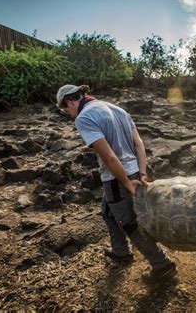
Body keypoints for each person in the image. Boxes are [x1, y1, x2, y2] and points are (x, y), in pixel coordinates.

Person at [56, 84, 176, 284]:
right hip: (134, 170)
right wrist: (142, 172)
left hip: (117, 177)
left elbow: (110, 158)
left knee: (128, 223)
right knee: (108, 211)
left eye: (66, 110)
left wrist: (127, 183)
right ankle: (120, 251)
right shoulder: (117, 109)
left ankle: (162, 265)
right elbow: (139, 144)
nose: (69, 114)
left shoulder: (84, 117)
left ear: (69, 101)